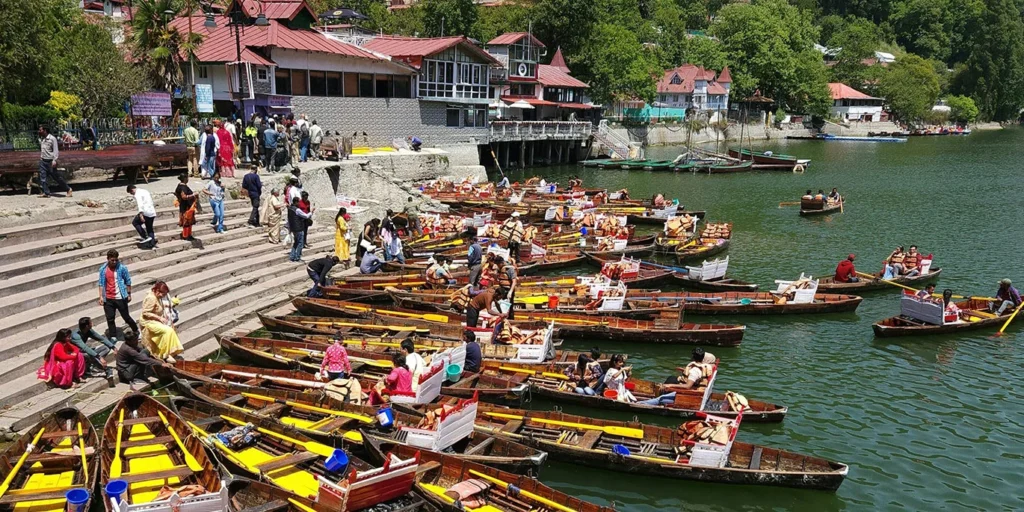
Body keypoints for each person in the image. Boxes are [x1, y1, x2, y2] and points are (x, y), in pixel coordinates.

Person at [140, 281, 184, 363]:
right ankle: (166, 354)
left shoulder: (157, 297)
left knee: (171, 330)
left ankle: (169, 352)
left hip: (155, 320)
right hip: (148, 322)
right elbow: (145, 313)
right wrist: (159, 318)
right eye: (162, 294)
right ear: (157, 291)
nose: (162, 296)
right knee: (167, 331)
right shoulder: (151, 298)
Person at [97, 249, 137, 340]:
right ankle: (113, 336)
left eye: (116, 260)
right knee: (110, 318)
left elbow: (128, 281)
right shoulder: (103, 270)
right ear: (108, 259)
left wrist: (129, 294)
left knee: (126, 317)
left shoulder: (122, 268)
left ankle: (135, 330)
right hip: (108, 298)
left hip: (120, 297)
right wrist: (101, 296)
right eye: (112, 260)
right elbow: (101, 284)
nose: (114, 262)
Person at [37, 125, 72, 198]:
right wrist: (41, 158)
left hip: (50, 161)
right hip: (43, 161)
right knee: (43, 178)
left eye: (40, 130)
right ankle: (46, 192)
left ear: (45, 130)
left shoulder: (52, 139)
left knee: (56, 177)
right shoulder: (42, 139)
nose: (39, 131)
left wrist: (54, 160)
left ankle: (68, 189)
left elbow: (55, 150)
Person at [288, 197, 314, 262]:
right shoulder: (297, 210)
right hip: (299, 228)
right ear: (296, 202)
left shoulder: (290, 208)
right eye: (298, 202)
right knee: (300, 243)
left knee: (296, 242)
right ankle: (297, 257)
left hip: (293, 228)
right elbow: (306, 216)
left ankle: (292, 256)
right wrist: (311, 212)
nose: (299, 203)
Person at [174, 173, 198, 241]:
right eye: (187, 178)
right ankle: (186, 235)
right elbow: (184, 197)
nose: (188, 179)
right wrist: (193, 195)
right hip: (186, 206)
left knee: (188, 222)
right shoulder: (183, 187)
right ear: (185, 178)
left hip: (184, 205)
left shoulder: (179, 186)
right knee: (187, 221)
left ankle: (188, 235)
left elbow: (176, 193)